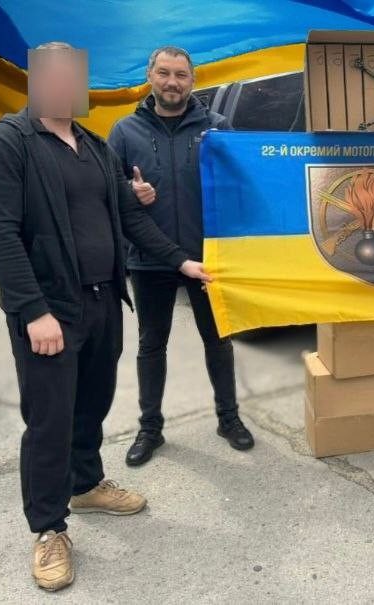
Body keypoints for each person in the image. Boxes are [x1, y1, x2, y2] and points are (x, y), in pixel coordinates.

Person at [0, 41, 212, 591]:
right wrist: (33, 311)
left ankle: (85, 483)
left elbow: (131, 219)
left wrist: (180, 261)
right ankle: (49, 529)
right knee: (50, 418)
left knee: (93, 402)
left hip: (104, 299)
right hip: (50, 309)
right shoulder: (3, 145)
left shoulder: (93, 146)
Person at [108, 46, 254, 467]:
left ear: (193, 80)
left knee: (218, 341)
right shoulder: (124, 132)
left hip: (206, 257)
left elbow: (240, 185)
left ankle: (229, 418)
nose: (172, 82)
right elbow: (106, 190)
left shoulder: (217, 127)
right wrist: (129, 191)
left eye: (181, 75)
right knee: (151, 345)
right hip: (149, 258)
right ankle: (149, 429)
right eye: (164, 73)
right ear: (150, 75)